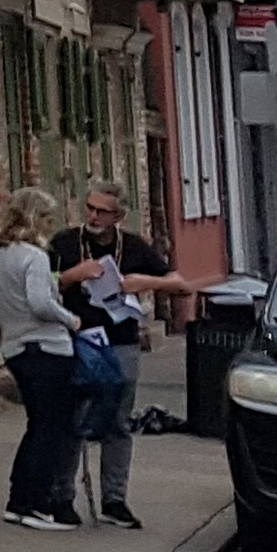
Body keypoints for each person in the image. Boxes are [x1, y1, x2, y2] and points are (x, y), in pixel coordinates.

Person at [54, 181, 196, 531]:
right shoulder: (66, 242)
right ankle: (62, 497)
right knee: (73, 418)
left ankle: (114, 499)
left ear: (118, 215)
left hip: (120, 341)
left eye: (102, 210)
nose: (93, 216)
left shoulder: (132, 246)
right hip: (78, 337)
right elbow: (41, 285)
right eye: (89, 207)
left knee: (118, 420)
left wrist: (145, 282)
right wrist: (75, 275)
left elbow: (182, 284)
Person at [0, 184, 84, 529]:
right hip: (48, 348)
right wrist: (70, 319)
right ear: (36, 218)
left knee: (37, 426)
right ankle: (36, 503)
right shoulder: (34, 257)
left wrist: (12, 312)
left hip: (15, 349)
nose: (51, 226)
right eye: (48, 218)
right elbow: (40, 303)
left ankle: (18, 499)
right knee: (51, 429)